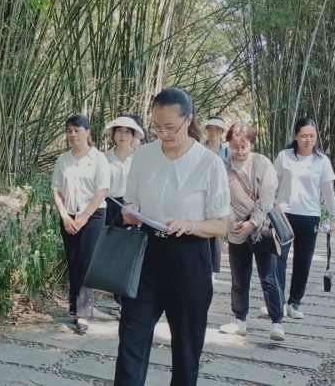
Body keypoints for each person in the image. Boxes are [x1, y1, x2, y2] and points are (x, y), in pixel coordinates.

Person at [115, 88, 230, 386]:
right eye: (157, 127)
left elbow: (221, 224)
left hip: (189, 259)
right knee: (131, 338)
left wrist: (189, 224)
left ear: (189, 120)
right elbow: (131, 200)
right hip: (146, 255)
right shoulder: (143, 156)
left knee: (186, 349)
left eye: (170, 127)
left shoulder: (209, 164)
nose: (163, 134)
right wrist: (130, 210)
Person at [262, 118, 335, 320]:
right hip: (283, 215)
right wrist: (266, 208)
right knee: (278, 260)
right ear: (295, 136)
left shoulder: (322, 161)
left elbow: (328, 191)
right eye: (304, 136)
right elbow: (273, 184)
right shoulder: (284, 156)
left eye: (312, 136)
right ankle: (277, 302)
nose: (308, 140)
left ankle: (294, 302)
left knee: (303, 262)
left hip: (309, 216)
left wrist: (333, 217)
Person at [218, 122, 285, 341]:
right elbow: (220, 197)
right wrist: (233, 222)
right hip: (236, 229)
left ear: (251, 144)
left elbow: (267, 197)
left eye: (243, 146)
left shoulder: (262, 163)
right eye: (234, 146)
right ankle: (239, 319)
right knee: (239, 278)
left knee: (269, 277)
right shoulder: (223, 165)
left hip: (262, 229)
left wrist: (253, 222)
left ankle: (277, 322)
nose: (239, 151)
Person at [51, 114, 110, 332]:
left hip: (93, 215)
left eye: (77, 130)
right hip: (69, 215)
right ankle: (76, 307)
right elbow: (56, 190)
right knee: (73, 260)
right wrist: (65, 216)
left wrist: (84, 216)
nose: (73, 134)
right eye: (69, 131)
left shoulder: (99, 159)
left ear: (88, 132)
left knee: (85, 261)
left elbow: (101, 190)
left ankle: (83, 313)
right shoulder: (63, 160)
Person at [103, 116, 145, 226]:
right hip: (109, 207)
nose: (122, 135)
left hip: (134, 207)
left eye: (127, 131)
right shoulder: (104, 158)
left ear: (133, 135)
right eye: (119, 130)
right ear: (113, 134)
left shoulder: (141, 157)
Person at [203, 116, 230, 283]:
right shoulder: (199, 148)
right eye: (211, 128)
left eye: (217, 128)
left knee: (216, 231)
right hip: (202, 194)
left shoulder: (228, 151)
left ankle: (213, 270)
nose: (214, 131)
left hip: (220, 195)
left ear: (222, 131)